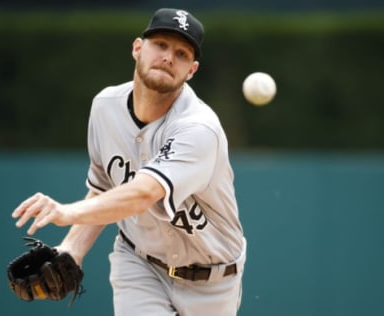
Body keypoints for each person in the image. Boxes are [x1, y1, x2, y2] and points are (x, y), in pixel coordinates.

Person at [12, 8, 246, 316]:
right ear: (138, 48)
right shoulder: (105, 107)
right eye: (160, 44)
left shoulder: (199, 128)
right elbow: (104, 190)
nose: (168, 57)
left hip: (212, 280)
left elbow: (143, 194)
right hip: (139, 264)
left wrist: (65, 212)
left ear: (191, 70)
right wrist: (73, 249)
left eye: (181, 53)